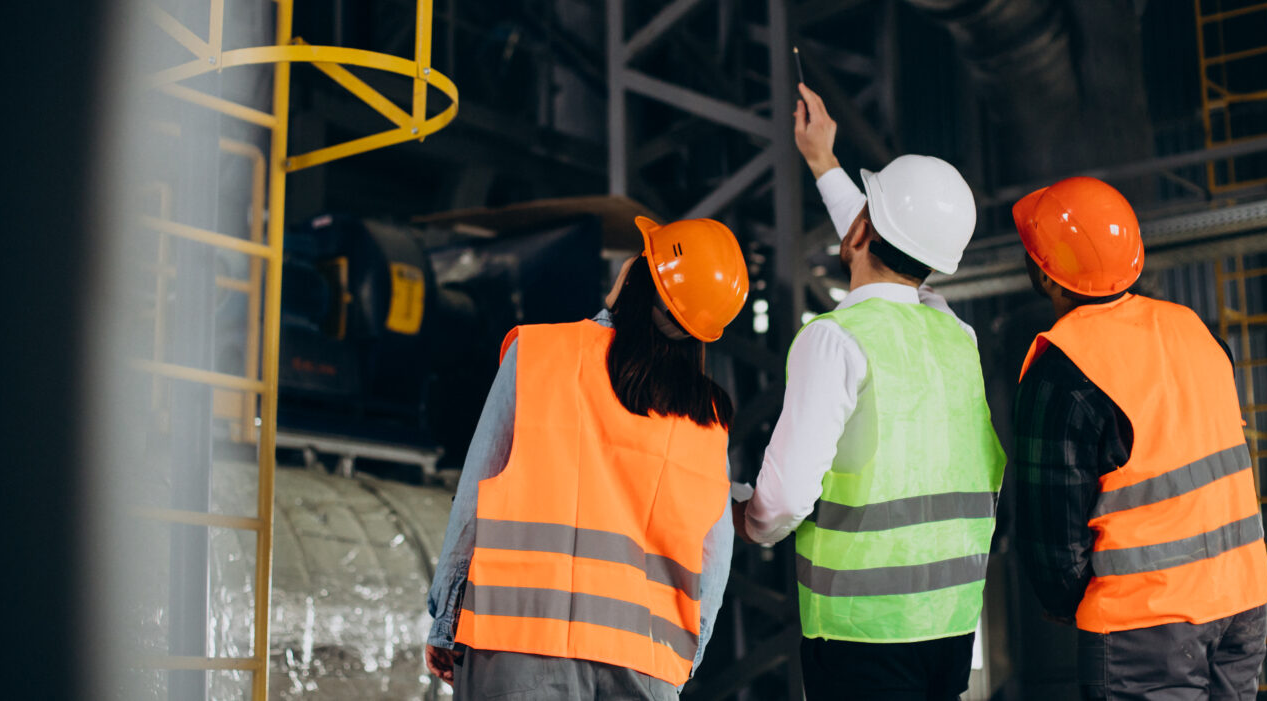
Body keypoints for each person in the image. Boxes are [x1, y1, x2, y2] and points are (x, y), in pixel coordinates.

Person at [734, 83, 1006, 701]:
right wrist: (822, 162)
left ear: (861, 228)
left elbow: (779, 506)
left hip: (861, 637)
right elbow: (893, 248)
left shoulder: (833, 342)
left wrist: (742, 521)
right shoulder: (954, 334)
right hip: (951, 626)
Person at [423, 216, 750, 700]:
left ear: (638, 277)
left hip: (516, 644)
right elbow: (713, 557)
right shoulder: (708, 416)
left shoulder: (540, 354)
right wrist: (680, 660)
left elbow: (475, 496)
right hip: (645, 664)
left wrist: (446, 620)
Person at [1011, 176, 1267, 700]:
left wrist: (1076, 605)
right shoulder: (1196, 331)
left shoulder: (1063, 371)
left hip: (1143, 625)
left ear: (1047, 276)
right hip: (1243, 603)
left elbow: (1054, 548)